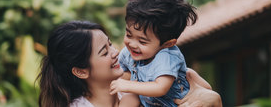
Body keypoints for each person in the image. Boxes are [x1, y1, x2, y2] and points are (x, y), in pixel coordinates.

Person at [37, 21, 222, 107]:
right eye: (104, 52)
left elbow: (202, 92)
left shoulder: (144, 87)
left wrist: (214, 101)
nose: (116, 52)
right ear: (81, 71)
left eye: (110, 44)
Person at [109, 0, 198, 107]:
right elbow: (126, 74)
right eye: (129, 35)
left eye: (143, 41)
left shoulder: (167, 56)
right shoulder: (129, 53)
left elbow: (160, 88)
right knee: (130, 96)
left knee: (131, 91)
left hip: (179, 104)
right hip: (148, 101)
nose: (132, 44)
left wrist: (127, 85)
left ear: (167, 44)